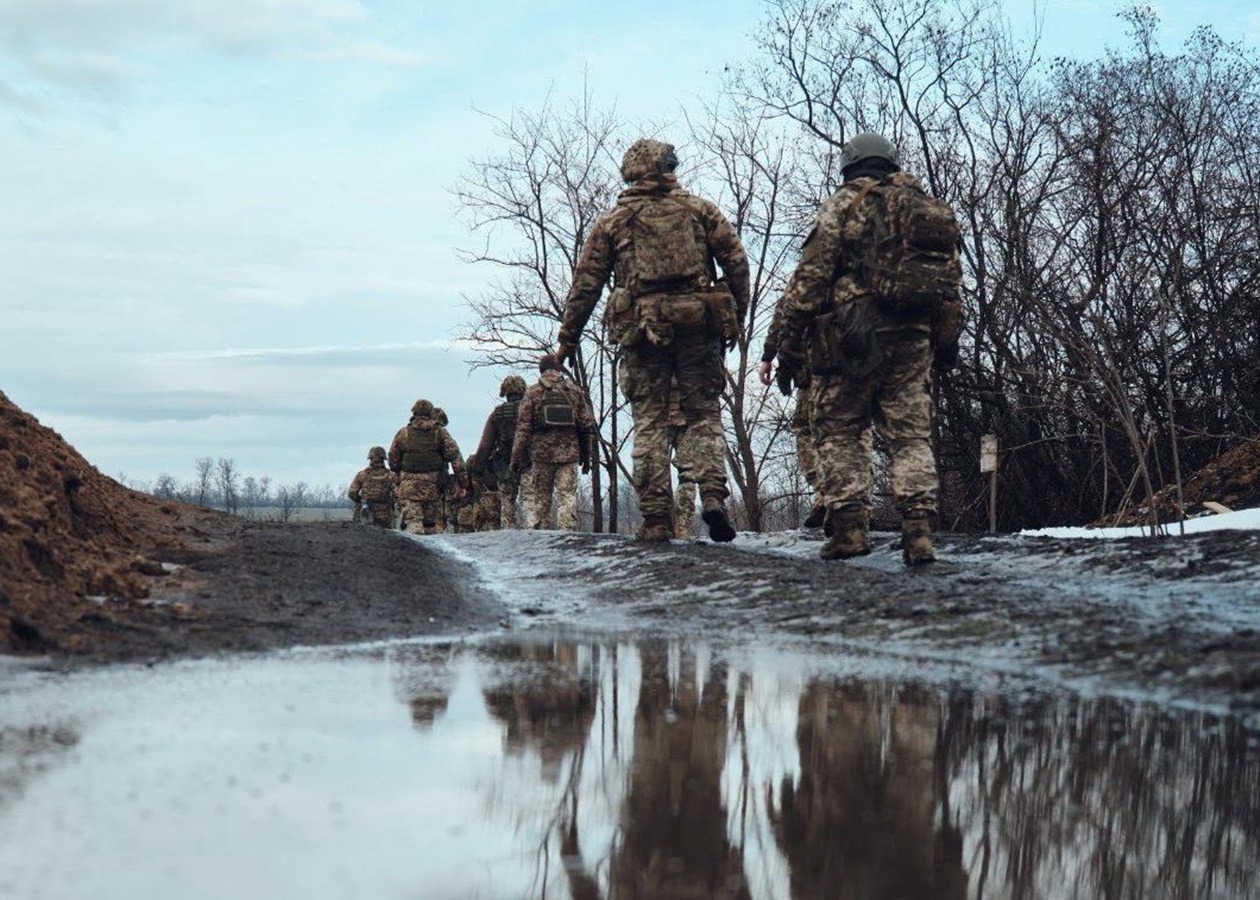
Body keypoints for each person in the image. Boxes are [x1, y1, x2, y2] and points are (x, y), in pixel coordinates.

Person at [764, 132, 962, 564]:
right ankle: (919, 534)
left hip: (851, 335)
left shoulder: (844, 204)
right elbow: (950, 284)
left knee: (840, 429)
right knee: (910, 435)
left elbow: (809, 281)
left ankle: (850, 531)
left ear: (849, 165)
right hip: (914, 336)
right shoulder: (925, 208)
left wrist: (789, 347)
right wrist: (946, 340)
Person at [554, 138, 750, 543]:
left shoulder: (614, 221)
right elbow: (736, 261)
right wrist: (735, 315)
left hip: (642, 331)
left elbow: (586, 284)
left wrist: (568, 339)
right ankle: (713, 495)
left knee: (649, 421)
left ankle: (657, 518)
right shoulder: (700, 210)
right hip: (698, 327)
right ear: (669, 168)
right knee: (704, 414)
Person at [759, 302, 827, 530]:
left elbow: (784, 316)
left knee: (807, 430)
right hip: (854, 362)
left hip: (814, 366)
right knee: (849, 433)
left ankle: (828, 494)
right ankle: (849, 502)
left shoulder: (807, 285)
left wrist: (771, 357)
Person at [509, 353, 596, 530]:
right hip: (569, 455)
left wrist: (516, 459)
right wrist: (587, 457)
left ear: (541, 370)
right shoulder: (575, 391)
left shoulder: (532, 392)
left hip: (541, 456)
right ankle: (567, 536)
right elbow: (588, 426)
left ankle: (542, 539)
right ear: (559, 369)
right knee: (567, 497)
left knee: (541, 500)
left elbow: (522, 428)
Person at [388, 399, 466, 535]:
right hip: (433, 488)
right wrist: (463, 482)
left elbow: (393, 460)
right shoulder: (440, 432)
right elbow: (455, 458)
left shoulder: (403, 433)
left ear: (414, 413)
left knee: (414, 526)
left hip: (409, 488)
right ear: (430, 413)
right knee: (431, 527)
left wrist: (400, 475)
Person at [473, 375, 528, 528]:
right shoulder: (531, 409)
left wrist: (477, 470)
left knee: (507, 504)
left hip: (505, 465)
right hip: (528, 463)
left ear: (505, 392)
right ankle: (532, 535)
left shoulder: (496, 414)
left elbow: (485, 446)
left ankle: (508, 534)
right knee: (529, 502)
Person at [667, 384, 698, 538]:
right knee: (651, 472)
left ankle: (682, 525)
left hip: (689, 419)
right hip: (657, 417)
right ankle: (655, 523)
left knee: (689, 474)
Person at [347, 446, 396, 528]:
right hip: (384, 514)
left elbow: (352, 493)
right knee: (385, 535)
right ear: (383, 459)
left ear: (370, 458)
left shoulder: (362, 474)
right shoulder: (390, 475)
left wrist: (361, 501)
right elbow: (398, 494)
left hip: (364, 512)